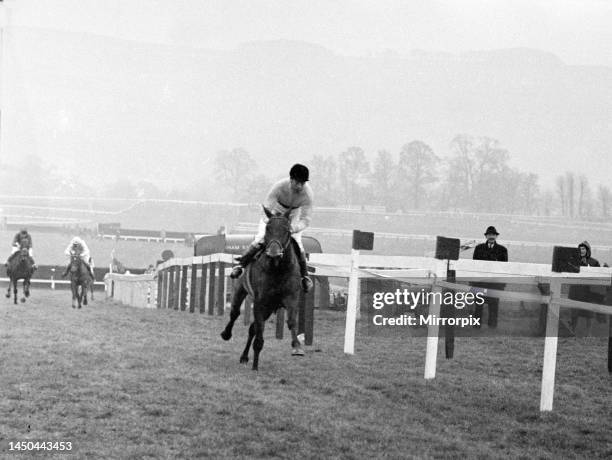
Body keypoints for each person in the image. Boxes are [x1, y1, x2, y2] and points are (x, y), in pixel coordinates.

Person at [230, 163, 314, 292]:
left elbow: (306, 219)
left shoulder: (308, 194)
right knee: (260, 238)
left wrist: (294, 228)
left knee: (298, 243)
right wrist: (272, 223)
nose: (300, 186)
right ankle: (240, 266)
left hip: (293, 215)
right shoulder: (279, 187)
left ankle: (304, 276)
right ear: (291, 179)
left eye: (302, 183)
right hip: (274, 212)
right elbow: (267, 208)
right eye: (297, 182)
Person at [472, 226, 508, 328]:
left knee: (494, 305)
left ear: (496, 236)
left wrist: (501, 283)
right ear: (486, 236)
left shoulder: (502, 250)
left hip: (495, 283)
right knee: (479, 305)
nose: (491, 236)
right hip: (481, 282)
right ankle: (476, 326)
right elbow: (475, 265)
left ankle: (492, 326)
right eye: (489, 234)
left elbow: (504, 267)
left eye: (493, 235)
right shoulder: (479, 249)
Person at [569, 241, 600, 334]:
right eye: (580, 249)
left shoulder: (594, 262)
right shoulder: (574, 261)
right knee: (574, 313)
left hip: (588, 291)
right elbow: (570, 273)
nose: (581, 250)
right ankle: (572, 331)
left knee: (589, 313)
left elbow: (598, 275)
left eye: (583, 248)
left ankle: (588, 333)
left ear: (587, 250)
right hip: (576, 290)